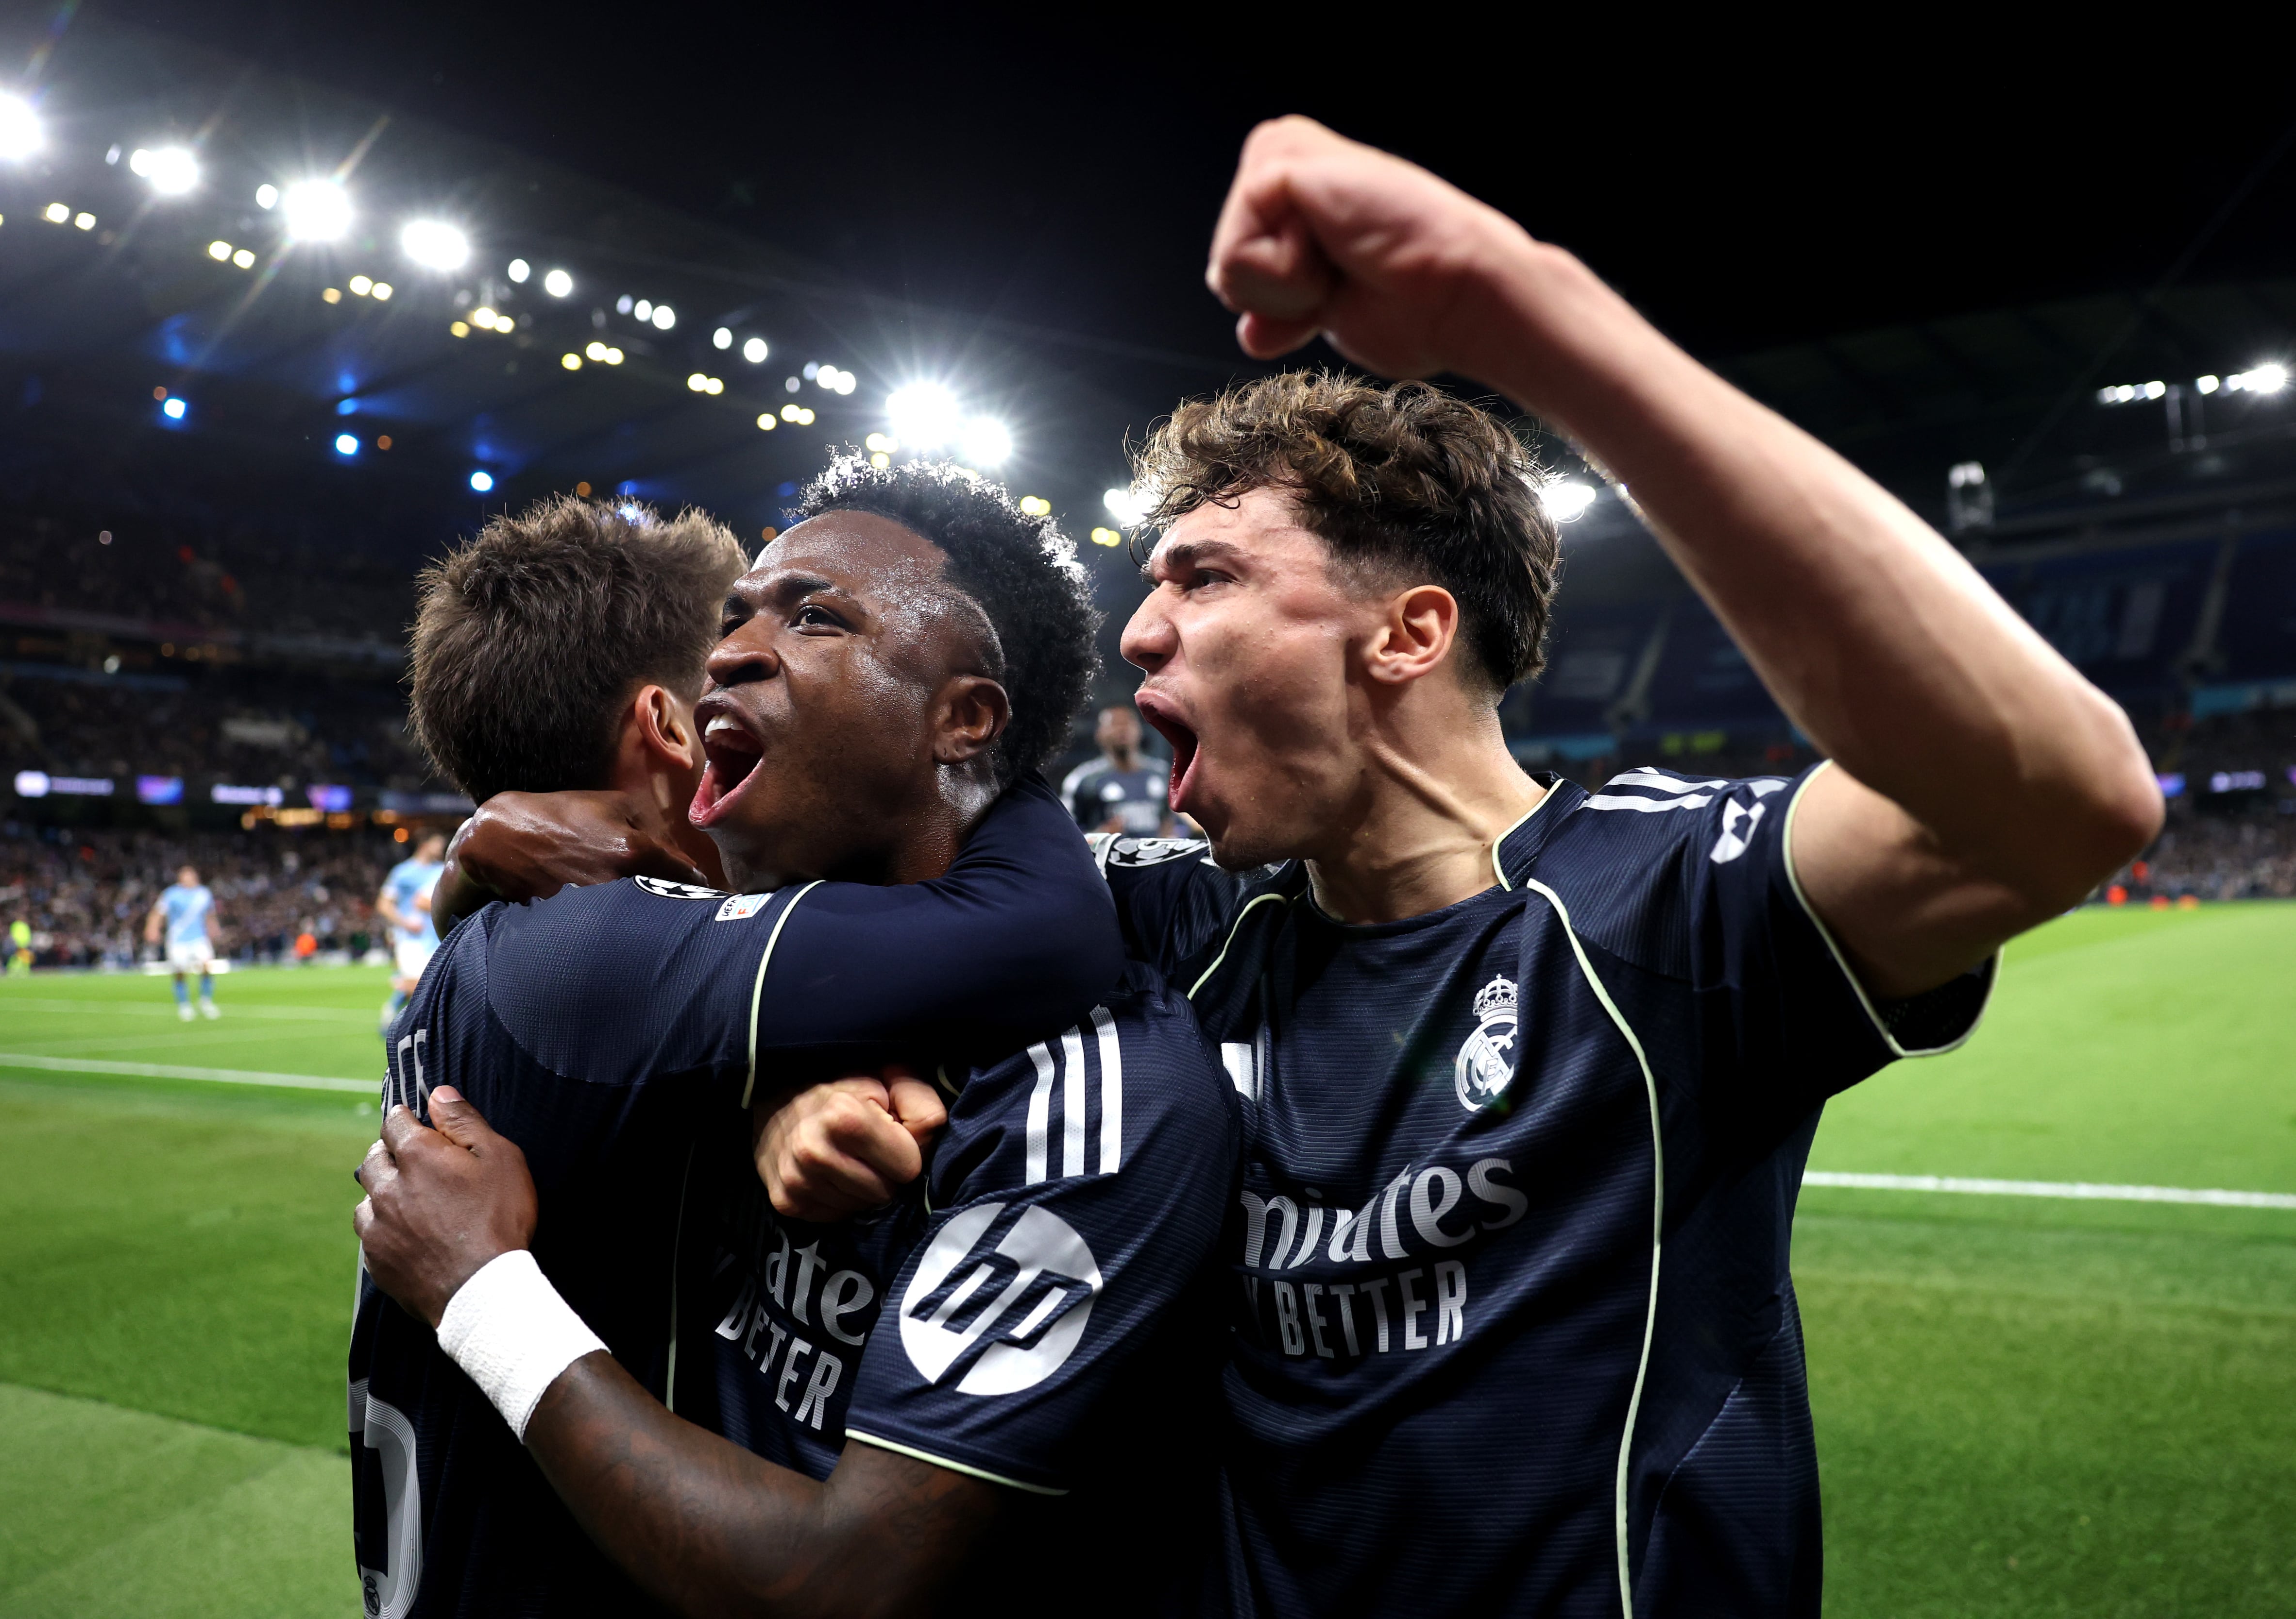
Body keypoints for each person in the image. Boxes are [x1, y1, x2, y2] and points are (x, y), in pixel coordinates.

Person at [403, 119, 2165, 1617]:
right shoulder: (1177, 922)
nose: (1141, 634)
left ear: (1407, 632)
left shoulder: (1655, 913)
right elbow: (860, 891)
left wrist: (1523, 312)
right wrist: (797, 1069)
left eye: (1205, 578)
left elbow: (2065, 798)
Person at [348, 478, 1231, 1619]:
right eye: (731, 620)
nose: (731, 654)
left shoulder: (1084, 1090)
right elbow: (1034, 923)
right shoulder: (608, 954)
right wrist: (483, 1289)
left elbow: (854, 1575)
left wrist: (771, 1089)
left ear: (965, 716)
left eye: (815, 617)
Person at [1058, 702, 1173, 836]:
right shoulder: (1083, 780)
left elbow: (1174, 822)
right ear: (1099, 734)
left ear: (1139, 730)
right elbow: (1065, 833)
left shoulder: (1162, 773)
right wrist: (1101, 835)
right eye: (1114, 724)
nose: (1123, 729)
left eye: (1128, 723)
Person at [377, 831, 449, 1029]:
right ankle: (396, 1018)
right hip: (412, 940)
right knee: (418, 986)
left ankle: (399, 1014)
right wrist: (405, 923)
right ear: (424, 844)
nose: (441, 849)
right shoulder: (403, 872)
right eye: (437, 844)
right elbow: (384, 904)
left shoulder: (443, 870)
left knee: (430, 986)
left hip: (436, 938)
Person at [144, 864, 221, 1021]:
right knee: (180, 972)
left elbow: (210, 914)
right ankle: (184, 1005)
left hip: (199, 937)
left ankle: (206, 1001)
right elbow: (158, 913)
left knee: (207, 966)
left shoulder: (203, 894)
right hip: (178, 939)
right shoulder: (171, 894)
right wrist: (152, 928)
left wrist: (214, 929)